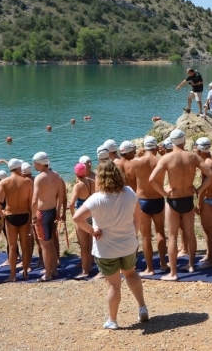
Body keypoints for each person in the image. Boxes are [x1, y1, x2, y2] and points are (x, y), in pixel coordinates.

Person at [73, 161, 149, 330]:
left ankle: (113, 320)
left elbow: (77, 218)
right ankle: (142, 307)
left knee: (114, 285)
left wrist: (92, 231)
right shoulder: (129, 192)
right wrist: (133, 234)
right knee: (131, 274)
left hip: (106, 249)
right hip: (128, 245)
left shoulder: (96, 199)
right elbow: (138, 216)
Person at [148, 129, 212, 280]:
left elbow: (152, 179)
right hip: (188, 199)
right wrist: (199, 189)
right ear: (183, 141)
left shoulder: (167, 158)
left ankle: (173, 273)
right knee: (190, 234)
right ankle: (191, 265)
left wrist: (165, 193)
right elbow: (210, 174)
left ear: (172, 141)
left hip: (173, 200)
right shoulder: (193, 157)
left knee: (172, 236)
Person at [132, 136, 168, 276]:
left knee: (146, 236)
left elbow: (129, 176)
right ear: (156, 147)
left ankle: (150, 269)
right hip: (158, 199)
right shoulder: (161, 161)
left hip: (142, 200)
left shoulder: (136, 162)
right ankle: (163, 263)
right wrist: (163, 154)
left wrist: (137, 155)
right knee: (160, 232)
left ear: (144, 147)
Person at [0, 158, 34, 282]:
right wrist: (32, 217)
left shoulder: (4, 182)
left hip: (10, 216)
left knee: (12, 246)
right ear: (18, 168)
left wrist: (1, 214)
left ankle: (13, 275)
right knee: (25, 246)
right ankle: (26, 272)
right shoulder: (27, 182)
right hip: (24, 215)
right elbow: (31, 202)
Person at [31, 152, 66, 282]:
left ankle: (48, 274)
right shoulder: (56, 175)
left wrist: (33, 217)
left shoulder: (39, 178)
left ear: (39, 163)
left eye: (34, 162)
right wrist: (58, 211)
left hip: (42, 212)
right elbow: (61, 196)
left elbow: (35, 200)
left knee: (44, 244)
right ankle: (54, 270)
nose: (33, 165)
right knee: (50, 241)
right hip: (52, 211)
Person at [194, 137, 212, 269]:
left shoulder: (207, 165)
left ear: (200, 150)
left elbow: (204, 189)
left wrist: (199, 204)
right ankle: (209, 254)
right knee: (207, 230)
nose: (194, 150)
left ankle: (211, 259)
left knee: (210, 231)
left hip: (209, 200)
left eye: (195, 148)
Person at [68, 162, 96, 278]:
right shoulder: (92, 182)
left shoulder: (78, 186)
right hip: (91, 214)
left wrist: (74, 215)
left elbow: (71, 204)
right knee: (90, 242)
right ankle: (90, 265)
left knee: (83, 245)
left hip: (82, 216)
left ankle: (85, 271)